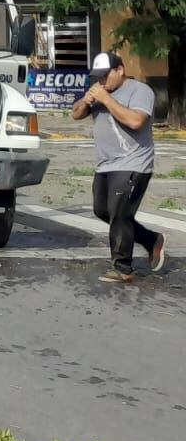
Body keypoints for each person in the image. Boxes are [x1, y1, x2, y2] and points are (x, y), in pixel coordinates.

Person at [72, 51, 165, 284]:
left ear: (120, 70)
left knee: (120, 212)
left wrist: (105, 99)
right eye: (98, 77)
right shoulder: (100, 90)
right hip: (105, 164)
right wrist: (87, 101)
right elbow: (76, 115)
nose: (102, 81)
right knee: (102, 210)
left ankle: (123, 268)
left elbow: (136, 121)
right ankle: (151, 240)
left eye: (105, 76)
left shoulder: (140, 91)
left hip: (134, 162)